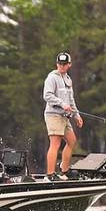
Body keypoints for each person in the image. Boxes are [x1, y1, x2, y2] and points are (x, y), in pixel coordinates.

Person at [42, 52, 84, 181]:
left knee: (71, 141)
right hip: (53, 115)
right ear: (57, 64)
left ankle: (64, 171)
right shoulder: (51, 78)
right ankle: (50, 175)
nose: (61, 66)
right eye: (59, 64)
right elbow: (47, 95)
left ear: (69, 65)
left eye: (64, 64)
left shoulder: (68, 80)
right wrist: (62, 104)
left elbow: (71, 100)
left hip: (65, 117)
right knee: (55, 143)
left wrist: (77, 115)